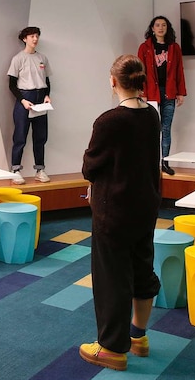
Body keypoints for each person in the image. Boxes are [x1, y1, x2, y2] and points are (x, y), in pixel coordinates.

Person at [79, 54, 161, 371]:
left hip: (113, 210)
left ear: (113, 82)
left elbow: (90, 166)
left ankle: (112, 348)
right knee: (141, 268)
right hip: (145, 206)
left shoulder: (109, 121)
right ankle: (138, 336)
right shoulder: (152, 114)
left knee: (112, 278)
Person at [137, 15, 186, 175]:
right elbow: (140, 71)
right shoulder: (145, 48)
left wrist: (180, 92)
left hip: (169, 92)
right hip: (151, 93)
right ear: (152, 28)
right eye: (157, 25)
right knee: (151, 128)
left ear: (167, 28)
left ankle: (165, 162)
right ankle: (150, 163)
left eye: (163, 25)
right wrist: (142, 92)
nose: (160, 28)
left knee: (166, 128)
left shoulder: (174, 47)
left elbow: (179, 71)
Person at [7, 26, 52, 184]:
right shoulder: (18, 59)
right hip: (25, 99)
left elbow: (46, 81)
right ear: (24, 39)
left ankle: (40, 169)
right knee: (20, 136)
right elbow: (12, 85)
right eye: (32, 36)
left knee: (40, 136)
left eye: (37, 36)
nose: (35, 39)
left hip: (41, 100)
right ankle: (15, 170)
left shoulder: (42, 58)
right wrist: (23, 100)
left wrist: (47, 96)